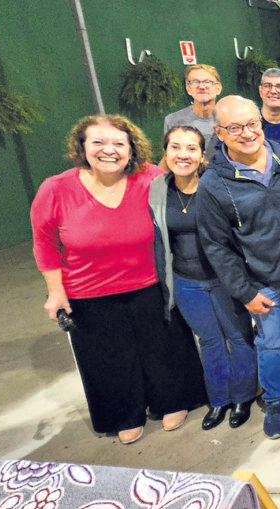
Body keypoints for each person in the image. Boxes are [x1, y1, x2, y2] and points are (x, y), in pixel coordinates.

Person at [31, 114, 207, 444]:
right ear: (82, 147)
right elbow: (44, 242)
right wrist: (55, 293)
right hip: (88, 293)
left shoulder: (151, 177)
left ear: (131, 148)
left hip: (151, 283)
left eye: (118, 143)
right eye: (97, 142)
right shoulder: (56, 189)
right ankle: (125, 414)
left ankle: (173, 401)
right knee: (108, 357)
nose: (108, 150)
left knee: (163, 348)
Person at [197, 96, 280, 440]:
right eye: (235, 128)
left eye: (252, 123)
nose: (247, 133)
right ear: (219, 133)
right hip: (261, 279)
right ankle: (275, 401)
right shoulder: (214, 183)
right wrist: (244, 291)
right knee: (271, 344)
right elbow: (216, 245)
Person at [149, 126, 258, 431]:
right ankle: (219, 400)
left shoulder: (216, 184)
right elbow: (158, 239)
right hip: (186, 281)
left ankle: (243, 396)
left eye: (191, 148)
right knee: (209, 341)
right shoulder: (158, 189)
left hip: (225, 278)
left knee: (238, 337)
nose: (183, 155)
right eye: (175, 147)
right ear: (166, 151)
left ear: (201, 154)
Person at [164, 64, 222, 159]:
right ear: (188, 88)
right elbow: (169, 158)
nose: (202, 86)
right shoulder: (173, 120)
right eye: (195, 82)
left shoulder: (231, 119)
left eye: (208, 82)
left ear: (218, 88)